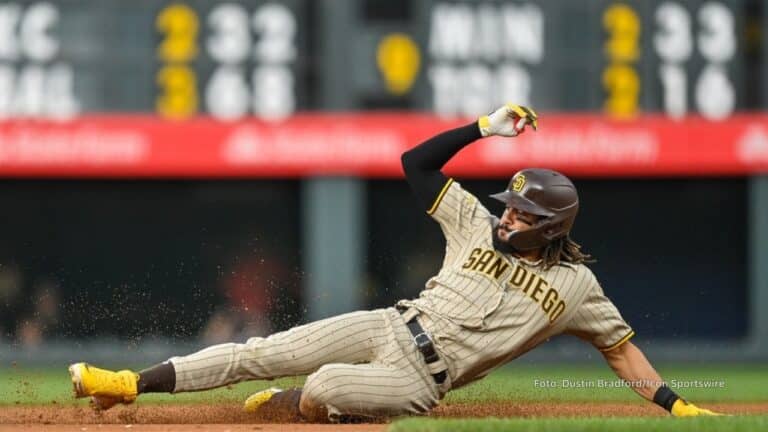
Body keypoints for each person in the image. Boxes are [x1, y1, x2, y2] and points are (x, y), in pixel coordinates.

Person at [68, 104, 721, 421]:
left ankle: (299, 405)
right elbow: (416, 165)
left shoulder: (576, 286)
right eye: (510, 207)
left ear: (549, 225)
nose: (508, 216)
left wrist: (675, 404)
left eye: (523, 214)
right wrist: (483, 130)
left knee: (323, 385)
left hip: (424, 381)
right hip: (389, 325)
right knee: (259, 350)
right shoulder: (475, 221)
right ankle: (127, 383)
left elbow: (620, 350)